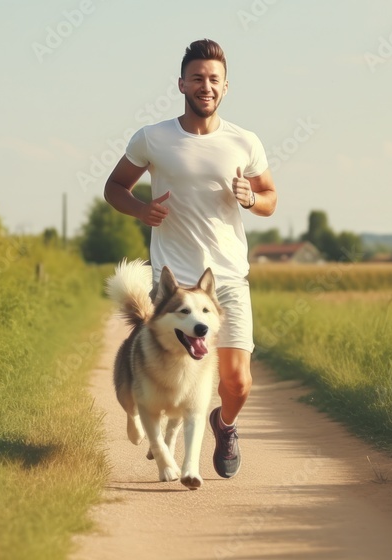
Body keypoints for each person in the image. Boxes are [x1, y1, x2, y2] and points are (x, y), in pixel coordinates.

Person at [103, 38, 277, 479]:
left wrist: (250, 197)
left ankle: (225, 424)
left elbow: (271, 199)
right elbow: (114, 188)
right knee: (169, 376)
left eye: (214, 79)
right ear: (182, 84)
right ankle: (168, 440)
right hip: (175, 286)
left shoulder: (244, 141)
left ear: (225, 87)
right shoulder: (153, 138)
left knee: (237, 382)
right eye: (197, 78)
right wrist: (141, 209)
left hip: (228, 280)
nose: (206, 86)